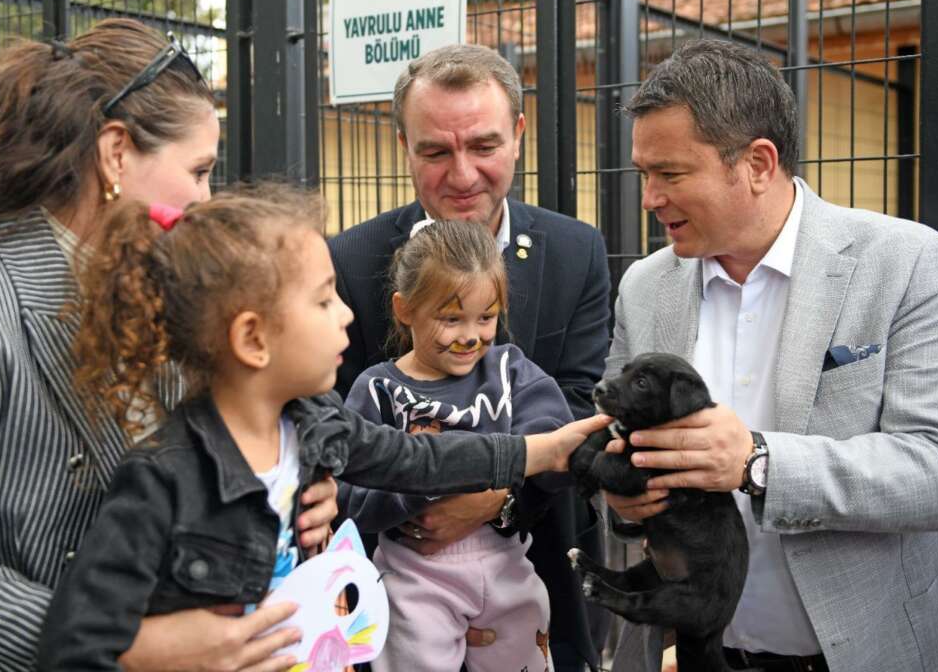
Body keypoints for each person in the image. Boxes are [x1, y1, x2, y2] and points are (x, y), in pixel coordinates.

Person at [0, 19, 340, 672]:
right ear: (113, 155)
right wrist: (133, 647)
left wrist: (302, 477)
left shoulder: (154, 293)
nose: (204, 200)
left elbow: (240, 427)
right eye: (199, 170)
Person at [37, 189, 607, 670]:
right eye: (323, 299)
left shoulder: (315, 425)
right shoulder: (163, 478)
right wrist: (195, 646)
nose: (348, 314)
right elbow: (76, 639)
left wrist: (539, 451)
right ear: (253, 339)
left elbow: (418, 462)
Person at [603, 39, 938, 672]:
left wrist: (757, 462)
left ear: (759, 163)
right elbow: (620, 441)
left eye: (671, 174)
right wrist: (625, 496)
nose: (650, 197)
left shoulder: (911, 265)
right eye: (644, 174)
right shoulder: (644, 287)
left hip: (877, 653)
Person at [330, 43, 611, 670]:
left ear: (517, 134)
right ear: (404, 146)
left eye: (483, 146)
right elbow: (337, 435)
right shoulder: (349, 262)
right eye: (435, 151)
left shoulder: (575, 252)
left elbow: (575, 406)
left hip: (538, 586)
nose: (461, 175)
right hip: (395, 594)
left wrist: (495, 498)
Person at [342, 219, 573, 672]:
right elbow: (351, 494)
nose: (471, 335)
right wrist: (422, 480)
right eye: (451, 319)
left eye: (486, 318)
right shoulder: (378, 390)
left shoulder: (510, 370)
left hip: (508, 564)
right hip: (414, 576)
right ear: (404, 309)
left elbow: (555, 451)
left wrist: (497, 485)